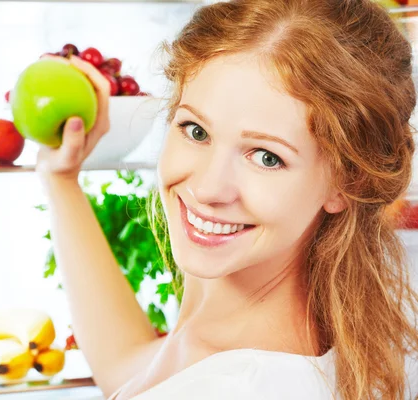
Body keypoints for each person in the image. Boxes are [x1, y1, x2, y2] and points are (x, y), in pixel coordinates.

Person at [36, 0, 418, 398]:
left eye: (267, 157)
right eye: (196, 130)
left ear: (346, 181)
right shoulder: (240, 345)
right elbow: (129, 370)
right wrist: (62, 179)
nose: (207, 189)